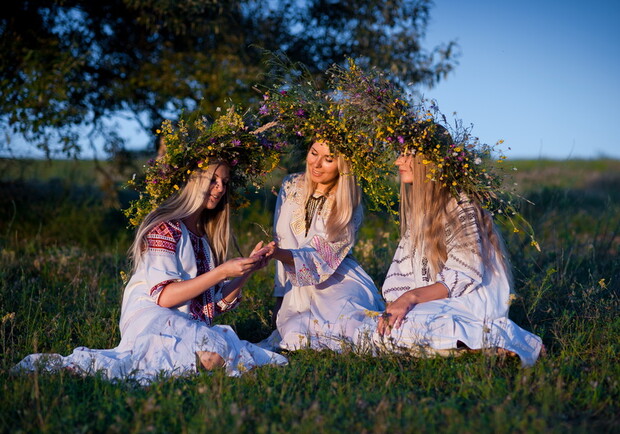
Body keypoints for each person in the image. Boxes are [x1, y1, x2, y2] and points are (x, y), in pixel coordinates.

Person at [13, 108, 287, 383]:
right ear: (192, 180)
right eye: (213, 180)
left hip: (185, 322)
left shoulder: (203, 238)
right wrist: (221, 272)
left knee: (218, 356)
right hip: (152, 316)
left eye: (225, 183)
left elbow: (210, 308)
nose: (220, 189)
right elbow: (164, 298)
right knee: (214, 357)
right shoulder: (164, 228)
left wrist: (247, 271)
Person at [355, 124, 543, 366]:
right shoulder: (420, 211)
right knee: (374, 330)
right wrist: (396, 303)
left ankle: (512, 339)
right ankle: (474, 349)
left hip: (469, 301)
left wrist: (410, 298)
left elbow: (465, 274)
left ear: (427, 160)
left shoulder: (459, 204)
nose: (398, 162)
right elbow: (402, 272)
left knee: (407, 327)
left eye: (406, 155)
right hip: (435, 303)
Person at [263, 140, 385, 351]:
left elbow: (323, 257)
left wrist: (280, 254)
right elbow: (280, 237)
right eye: (313, 153)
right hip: (296, 285)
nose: (316, 164)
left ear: (343, 166)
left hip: (337, 278)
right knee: (295, 335)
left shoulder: (347, 203)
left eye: (328, 159)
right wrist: (280, 297)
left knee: (347, 327)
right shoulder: (290, 185)